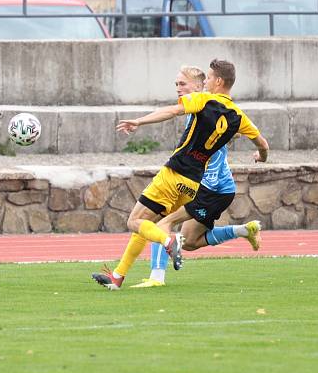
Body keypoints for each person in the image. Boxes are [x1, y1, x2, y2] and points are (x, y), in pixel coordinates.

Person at [92, 59, 270, 290]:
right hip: (194, 183)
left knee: (136, 222)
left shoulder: (203, 100)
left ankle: (161, 261)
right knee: (157, 225)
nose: (205, 82)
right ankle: (118, 276)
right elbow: (263, 144)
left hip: (178, 172)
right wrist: (261, 157)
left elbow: (173, 110)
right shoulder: (239, 116)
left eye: (207, 78)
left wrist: (139, 121)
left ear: (217, 81)